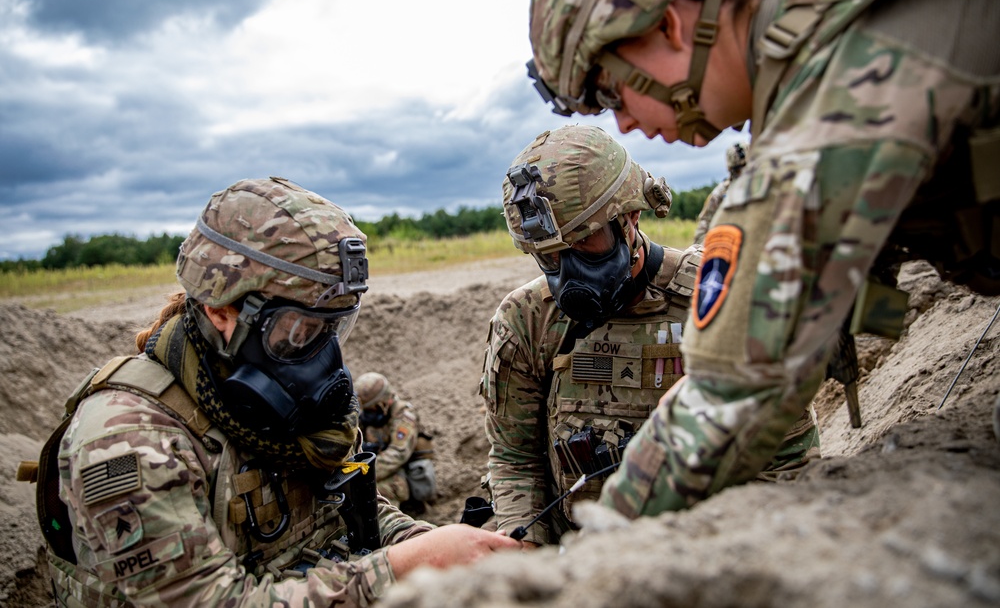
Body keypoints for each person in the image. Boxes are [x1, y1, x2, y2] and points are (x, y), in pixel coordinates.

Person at [525, 0, 1000, 517]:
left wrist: (596, 554)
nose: (621, 120)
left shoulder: (832, 103)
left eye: (608, 90)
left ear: (671, 27)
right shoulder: (831, 25)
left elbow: (733, 392)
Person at [27, 177, 520, 607]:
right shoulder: (126, 441)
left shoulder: (269, 398)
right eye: (302, 330)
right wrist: (400, 568)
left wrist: (435, 547)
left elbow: (345, 509)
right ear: (222, 312)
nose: (323, 356)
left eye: (335, 329)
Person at [480, 124, 819, 545]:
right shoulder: (528, 321)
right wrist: (526, 554)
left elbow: (784, 462)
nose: (568, 274)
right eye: (548, 255)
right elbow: (515, 459)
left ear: (630, 216)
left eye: (585, 240)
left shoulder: (721, 298)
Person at [356, 372, 436, 510]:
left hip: (401, 473)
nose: (368, 413)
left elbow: (398, 454)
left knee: (374, 489)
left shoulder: (404, 416)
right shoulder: (370, 416)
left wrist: (365, 472)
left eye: (371, 408)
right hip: (381, 464)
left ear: (384, 403)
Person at [692, 141, 748, 245]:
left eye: (746, 168)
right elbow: (702, 231)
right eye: (738, 170)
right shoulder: (720, 194)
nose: (742, 174)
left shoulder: (764, 189)